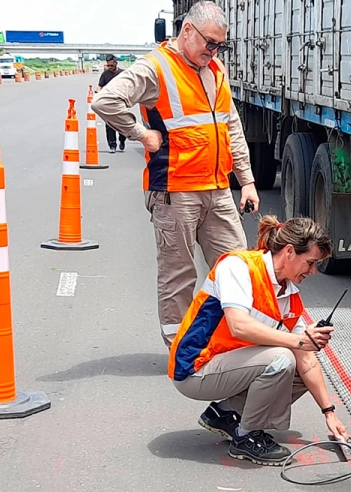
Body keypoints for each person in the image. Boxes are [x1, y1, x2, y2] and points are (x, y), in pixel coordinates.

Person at [92, 1, 260, 348]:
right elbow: (106, 101)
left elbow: (232, 127)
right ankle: (181, 350)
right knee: (179, 277)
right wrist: (141, 134)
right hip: (175, 192)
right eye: (209, 43)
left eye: (219, 45)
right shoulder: (155, 67)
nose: (213, 51)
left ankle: (232, 338)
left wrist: (247, 181)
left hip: (217, 189)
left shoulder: (216, 69)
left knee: (237, 268)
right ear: (187, 31)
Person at [167, 216, 350, 466]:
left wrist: (329, 413)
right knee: (282, 357)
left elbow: (307, 361)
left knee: (299, 368)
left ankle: (226, 413)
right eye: (311, 263)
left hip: (230, 367)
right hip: (195, 370)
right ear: (289, 252)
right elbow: (239, 325)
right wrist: (297, 341)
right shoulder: (238, 266)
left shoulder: (289, 296)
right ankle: (246, 437)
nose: (313, 271)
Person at [96, 55, 128, 153]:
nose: (110, 67)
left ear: (115, 63)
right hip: (108, 102)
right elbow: (100, 86)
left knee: (122, 123)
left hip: (121, 101)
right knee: (109, 124)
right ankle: (112, 145)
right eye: (108, 66)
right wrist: (98, 94)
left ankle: (122, 140)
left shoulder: (123, 73)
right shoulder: (105, 74)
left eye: (111, 65)